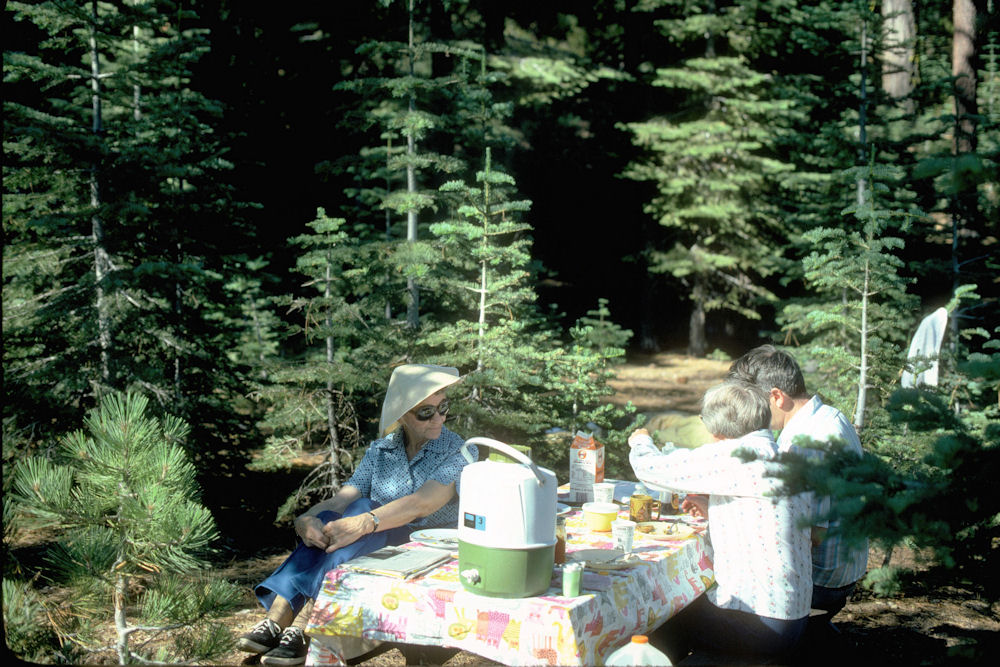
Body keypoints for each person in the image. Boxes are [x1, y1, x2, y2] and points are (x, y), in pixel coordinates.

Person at [238, 364, 475, 666]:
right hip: (373, 544)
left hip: (421, 546)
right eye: (426, 412)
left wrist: (366, 522)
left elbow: (423, 503)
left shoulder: (459, 451)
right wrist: (306, 519)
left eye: (443, 407)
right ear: (403, 414)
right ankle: (281, 621)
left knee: (363, 510)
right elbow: (343, 498)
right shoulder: (382, 450)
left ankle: (298, 623)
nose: (439, 418)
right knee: (333, 516)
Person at [629, 379, 813, 664]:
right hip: (793, 617)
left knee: (660, 615)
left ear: (716, 429)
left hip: (759, 623)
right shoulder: (781, 457)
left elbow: (650, 469)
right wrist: (711, 506)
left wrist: (640, 440)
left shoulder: (732, 457)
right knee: (682, 610)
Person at [728, 345, 868, 634]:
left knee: (724, 581)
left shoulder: (807, 442)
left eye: (755, 403)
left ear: (777, 396)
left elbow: (814, 535)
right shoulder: (827, 415)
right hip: (845, 569)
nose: (751, 414)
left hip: (822, 581)